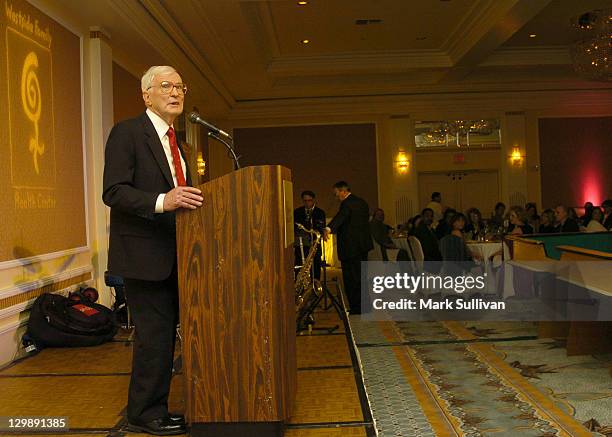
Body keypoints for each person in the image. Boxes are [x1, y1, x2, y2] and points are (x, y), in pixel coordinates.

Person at [103, 65, 203, 436]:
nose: (175, 92)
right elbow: (113, 191)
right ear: (146, 95)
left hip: (183, 254)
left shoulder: (181, 143)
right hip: (145, 256)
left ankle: (159, 406)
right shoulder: (128, 133)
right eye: (166, 86)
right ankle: (143, 412)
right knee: (155, 336)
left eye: (180, 86)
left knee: (174, 333)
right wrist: (165, 199)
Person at [325, 181, 373, 314]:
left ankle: (357, 308)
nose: (336, 197)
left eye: (336, 194)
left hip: (350, 248)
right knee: (362, 277)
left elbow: (341, 217)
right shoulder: (361, 202)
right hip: (362, 246)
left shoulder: (347, 204)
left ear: (343, 191)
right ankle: (366, 306)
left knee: (351, 279)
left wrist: (328, 228)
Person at [294, 190, 326, 280]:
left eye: (309, 200)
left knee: (315, 268)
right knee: (300, 267)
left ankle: (315, 288)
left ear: (314, 200)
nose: (307, 203)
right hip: (301, 246)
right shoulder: (297, 212)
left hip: (314, 245)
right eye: (305, 201)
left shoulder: (320, 212)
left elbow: (321, 227)